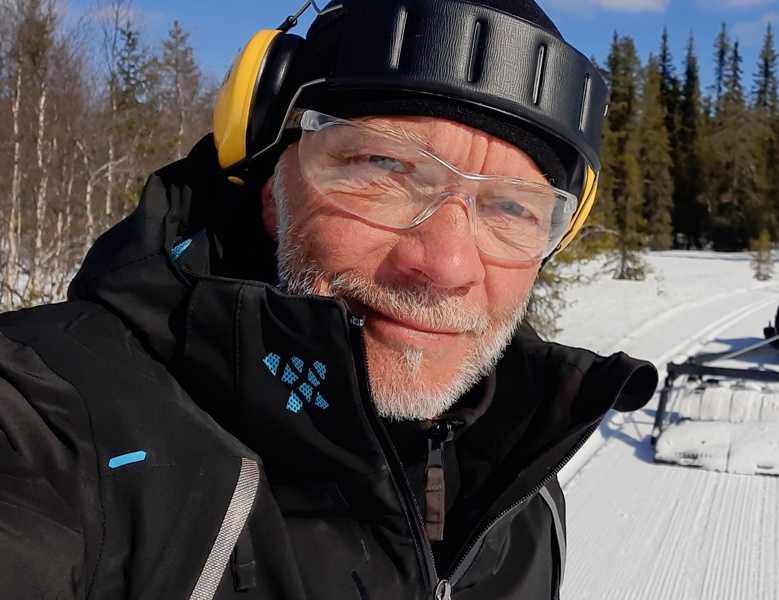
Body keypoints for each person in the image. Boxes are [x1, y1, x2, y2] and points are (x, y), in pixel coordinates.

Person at [0, 0, 658, 597]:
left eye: (513, 207)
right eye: (385, 166)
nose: (445, 265)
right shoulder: (48, 428)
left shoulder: (520, 490)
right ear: (271, 186)